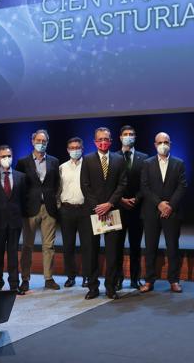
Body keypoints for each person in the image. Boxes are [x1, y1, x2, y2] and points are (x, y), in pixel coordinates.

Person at [80, 127, 128, 299]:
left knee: (113, 252)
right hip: (94, 212)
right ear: (95, 142)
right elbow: (85, 185)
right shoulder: (87, 159)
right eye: (100, 139)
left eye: (106, 139)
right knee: (91, 251)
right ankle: (93, 287)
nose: (103, 142)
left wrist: (109, 204)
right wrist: (97, 207)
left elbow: (122, 184)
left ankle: (110, 287)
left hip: (112, 210)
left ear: (111, 141)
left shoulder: (118, 159)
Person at [139, 132, 187, 294]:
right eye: (160, 142)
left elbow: (182, 186)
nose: (163, 145)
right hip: (151, 211)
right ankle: (149, 280)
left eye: (166, 142)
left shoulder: (178, 163)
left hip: (172, 213)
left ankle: (174, 280)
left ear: (170, 144)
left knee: (173, 247)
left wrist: (170, 206)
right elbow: (144, 187)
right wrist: (159, 204)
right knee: (150, 247)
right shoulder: (147, 163)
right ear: (155, 144)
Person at [16, 129, 61, 292]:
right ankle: (25, 278)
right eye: (38, 140)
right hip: (30, 209)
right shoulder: (23, 162)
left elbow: (57, 184)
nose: (41, 144)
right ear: (32, 141)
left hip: (49, 208)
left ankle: (48, 278)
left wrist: (56, 202)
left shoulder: (54, 161)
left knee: (49, 245)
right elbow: (19, 186)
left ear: (47, 143)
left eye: (44, 141)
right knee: (27, 246)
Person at [0, 145, 26, 293]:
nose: (6, 159)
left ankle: (14, 284)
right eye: (3, 156)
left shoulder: (21, 176)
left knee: (14, 254)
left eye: (8, 156)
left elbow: (23, 199)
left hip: (15, 222)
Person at [115, 125, 148, 290]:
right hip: (117, 208)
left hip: (137, 208)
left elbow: (146, 184)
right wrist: (120, 199)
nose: (128, 136)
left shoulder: (144, 158)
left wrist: (136, 199)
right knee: (117, 246)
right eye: (125, 134)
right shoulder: (112, 157)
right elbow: (110, 184)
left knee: (135, 246)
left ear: (135, 137)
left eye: (131, 134)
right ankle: (118, 278)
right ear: (120, 137)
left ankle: (135, 279)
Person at [57, 137, 87, 288]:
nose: (75, 150)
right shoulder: (62, 167)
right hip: (67, 210)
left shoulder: (88, 165)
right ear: (68, 150)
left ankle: (87, 276)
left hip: (84, 210)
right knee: (68, 246)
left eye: (78, 147)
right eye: (72, 148)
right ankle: (70, 276)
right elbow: (58, 189)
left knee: (87, 245)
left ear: (82, 149)